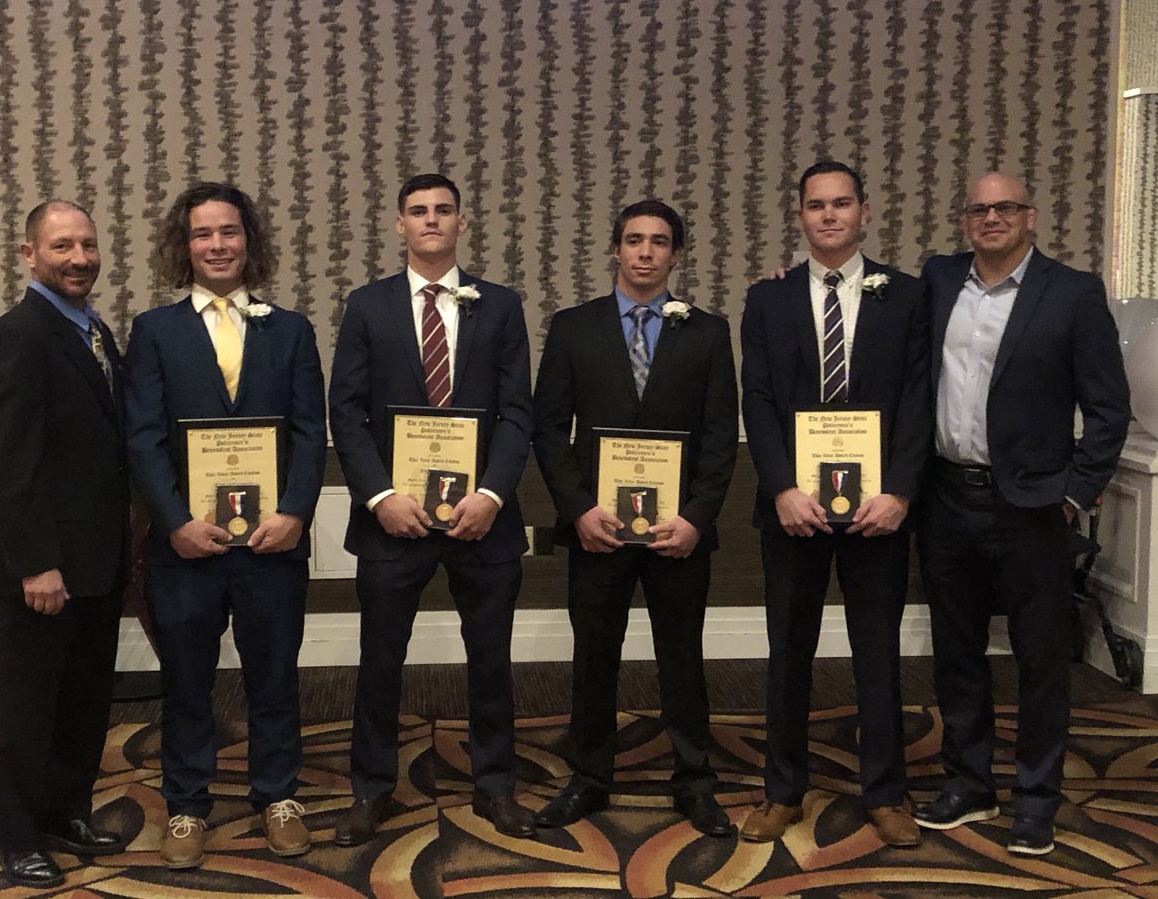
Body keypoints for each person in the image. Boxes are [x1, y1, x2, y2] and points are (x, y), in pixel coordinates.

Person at [911, 173, 1130, 855]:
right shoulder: (939, 279)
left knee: (1040, 661)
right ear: (965, 220)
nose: (991, 218)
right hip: (946, 498)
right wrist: (786, 280)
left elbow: (1108, 409)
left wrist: (1074, 492)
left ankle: (1036, 798)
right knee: (957, 656)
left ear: (1030, 216)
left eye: (1005, 207)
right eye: (979, 208)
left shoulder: (1072, 293)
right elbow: (867, 301)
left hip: (1033, 507)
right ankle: (968, 784)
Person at [328, 173, 535, 845]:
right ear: (399, 225)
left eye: (444, 211)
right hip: (396, 520)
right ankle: (371, 789)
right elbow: (347, 413)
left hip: (483, 518)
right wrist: (382, 497)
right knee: (380, 660)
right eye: (418, 211)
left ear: (462, 223)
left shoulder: (499, 308)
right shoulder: (367, 307)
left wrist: (493, 495)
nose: (431, 221)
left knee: (490, 660)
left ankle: (496, 786)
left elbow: (517, 413)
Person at [124, 183, 326, 868]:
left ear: (250, 241)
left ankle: (278, 796)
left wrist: (296, 512)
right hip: (188, 547)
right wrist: (174, 522)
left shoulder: (290, 329)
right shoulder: (154, 330)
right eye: (203, 234)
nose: (218, 245)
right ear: (184, 246)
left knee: (275, 675)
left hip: (273, 542)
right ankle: (186, 805)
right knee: (187, 679)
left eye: (230, 232)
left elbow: (309, 430)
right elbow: (144, 438)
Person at [738, 161, 930, 848]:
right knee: (788, 650)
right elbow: (756, 400)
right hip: (794, 509)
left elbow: (918, 401)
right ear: (800, 216)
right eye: (816, 205)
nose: (828, 215)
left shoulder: (906, 297)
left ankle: (886, 794)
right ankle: (781, 790)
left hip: (878, 509)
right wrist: (781, 488)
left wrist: (900, 491)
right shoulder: (769, 299)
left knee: (876, 652)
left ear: (865, 211)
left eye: (841, 203)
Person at [532, 200, 738, 837]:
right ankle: (589, 779)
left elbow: (718, 436)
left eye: (658, 242)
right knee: (596, 656)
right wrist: (579, 511)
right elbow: (546, 429)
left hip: (678, 534)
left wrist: (698, 519)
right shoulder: (573, 327)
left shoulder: (705, 332)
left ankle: (695, 782)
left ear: (676, 254)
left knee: (683, 657)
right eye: (633, 241)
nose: (645, 252)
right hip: (600, 531)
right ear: (615, 250)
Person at [0, 200, 129, 888]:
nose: (79, 259)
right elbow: (11, 462)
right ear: (29, 254)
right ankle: (16, 833)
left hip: (96, 559)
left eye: (89, 245)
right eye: (63, 246)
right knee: (30, 704)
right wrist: (38, 563)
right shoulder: (19, 336)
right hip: (45, 567)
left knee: (85, 697)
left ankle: (67, 811)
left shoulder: (94, 330)